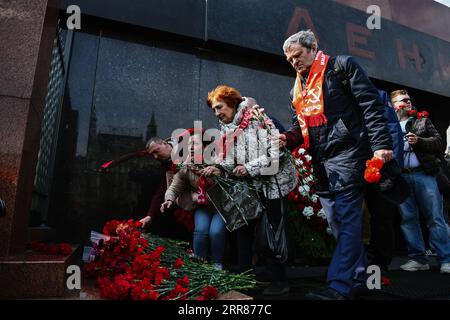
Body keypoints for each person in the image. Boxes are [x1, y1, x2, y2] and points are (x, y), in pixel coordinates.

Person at [279, 30, 394, 299]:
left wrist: (381, 146)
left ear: (313, 48)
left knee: (347, 219)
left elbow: (371, 106)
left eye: (297, 55)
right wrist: (286, 137)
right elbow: (299, 126)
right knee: (337, 223)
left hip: (350, 155)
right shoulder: (297, 89)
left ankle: (338, 287)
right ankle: (362, 278)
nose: (294, 62)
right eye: (289, 59)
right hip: (321, 162)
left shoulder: (343, 66)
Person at [204, 85, 297, 296]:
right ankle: (245, 277)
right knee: (242, 229)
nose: (217, 113)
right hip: (250, 184)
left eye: (220, 107)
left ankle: (279, 280)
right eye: (214, 110)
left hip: (273, 183)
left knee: (272, 231)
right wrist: (219, 167)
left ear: (232, 103)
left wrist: (248, 168)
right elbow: (230, 158)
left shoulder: (257, 119)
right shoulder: (226, 128)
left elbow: (276, 155)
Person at [390, 89, 450, 274]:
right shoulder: (388, 124)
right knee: (408, 218)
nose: (407, 103)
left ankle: (446, 259)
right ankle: (417, 258)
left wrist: (419, 141)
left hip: (423, 174)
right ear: (393, 106)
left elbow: (438, 141)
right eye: (402, 101)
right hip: (401, 176)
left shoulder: (421, 119)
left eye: (408, 100)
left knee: (435, 217)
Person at [160, 134, 225, 270]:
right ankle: (199, 264)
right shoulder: (187, 168)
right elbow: (174, 187)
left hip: (220, 207)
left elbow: (231, 177)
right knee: (201, 231)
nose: (190, 148)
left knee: (216, 232)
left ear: (205, 147)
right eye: (188, 145)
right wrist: (169, 200)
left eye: (194, 144)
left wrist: (218, 171)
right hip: (203, 207)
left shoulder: (219, 162)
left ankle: (217, 263)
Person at [365, 90, 404, 270]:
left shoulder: (377, 95)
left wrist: (392, 168)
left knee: (382, 215)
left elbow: (393, 131)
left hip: (381, 167)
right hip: (355, 165)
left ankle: (381, 261)